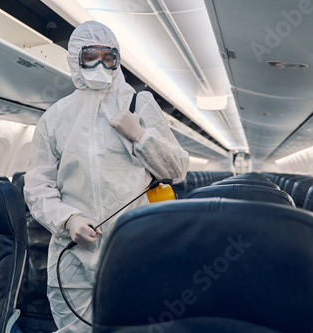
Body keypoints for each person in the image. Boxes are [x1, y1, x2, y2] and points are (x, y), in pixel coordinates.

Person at [24, 21, 189, 332]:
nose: (101, 64)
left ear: (117, 60)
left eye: (108, 57)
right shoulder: (55, 117)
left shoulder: (139, 103)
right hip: (73, 251)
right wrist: (67, 219)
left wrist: (140, 136)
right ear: (75, 58)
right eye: (91, 56)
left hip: (133, 247)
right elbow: (37, 185)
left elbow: (177, 170)